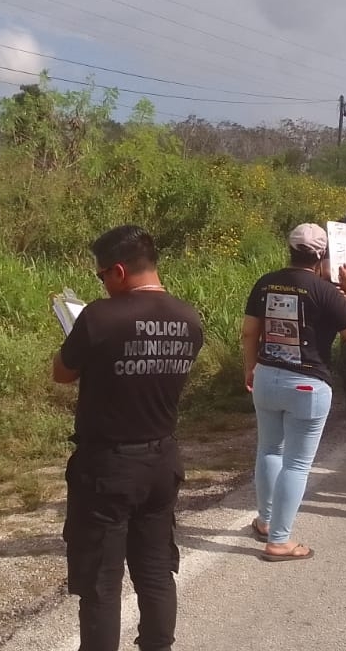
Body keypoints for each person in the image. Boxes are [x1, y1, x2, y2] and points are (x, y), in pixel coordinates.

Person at [53, 225, 204, 651]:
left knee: (101, 581)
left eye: (102, 275)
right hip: (162, 461)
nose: (101, 283)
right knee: (156, 569)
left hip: (107, 468)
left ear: (118, 271)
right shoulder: (189, 318)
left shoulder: (99, 316)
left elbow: (61, 373)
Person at [241, 223, 346, 560]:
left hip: (267, 375)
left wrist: (249, 367)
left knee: (268, 450)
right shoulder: (326, 291)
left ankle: (266, 522)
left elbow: (248, 332)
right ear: (321, 255)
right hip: (308, 384)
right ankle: (279, 541)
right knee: (296, 465)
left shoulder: (265, 283)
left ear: (290, 249)